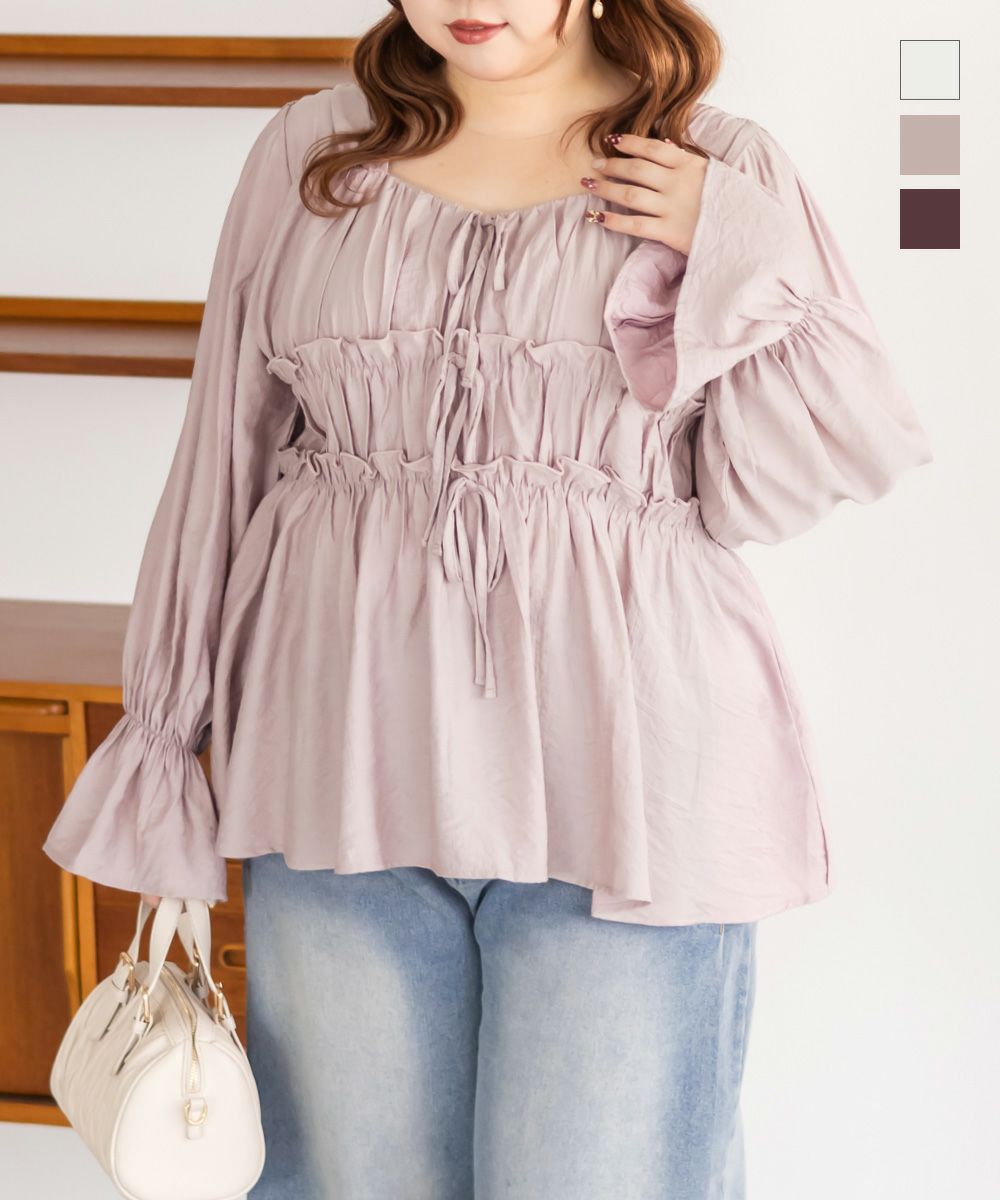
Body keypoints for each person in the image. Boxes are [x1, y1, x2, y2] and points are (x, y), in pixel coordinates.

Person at [42, 2, 934, 1197]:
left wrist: (740, 248)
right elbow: (222, 462)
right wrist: (166, 740)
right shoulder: (313, 157)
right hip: (338, 765)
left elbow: (806, 467)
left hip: (626, 785)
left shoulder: (714, 165)